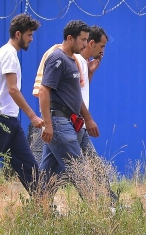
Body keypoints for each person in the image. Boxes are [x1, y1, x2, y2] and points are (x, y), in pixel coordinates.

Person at [38, 20, 103, 200]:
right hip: (59, 122)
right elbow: (44, 91)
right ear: (69, 38)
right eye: (82, 40)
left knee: (48, 173)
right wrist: (48, 125)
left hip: (70, 121)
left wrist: (87, 118)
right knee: (79, 170)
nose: (85, 44)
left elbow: (75, 95)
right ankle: (98, 213)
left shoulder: (71, 60)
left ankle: (39, 209)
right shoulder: (57, 58)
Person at [0, 13, 44, 194]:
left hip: (10, 121)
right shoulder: (9, 54)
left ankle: (46, 208)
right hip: (1, 121)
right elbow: (12, 89)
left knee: (30, 168)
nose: (31, 39)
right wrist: (33, 116)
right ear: (18, 34)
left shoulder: (6, 53)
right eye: (29, 35)